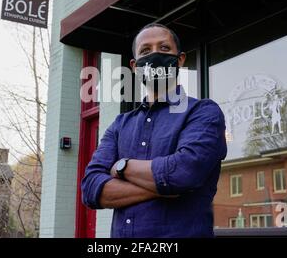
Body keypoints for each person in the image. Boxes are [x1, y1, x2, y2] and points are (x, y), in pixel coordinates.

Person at [81, 23, 227, 237]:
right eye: (146, 51)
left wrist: (121, 167)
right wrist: (164, 188)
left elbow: (183, 173)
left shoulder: (203, 112)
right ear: (134, 66)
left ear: (180, 60)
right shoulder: (120, 124)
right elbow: (91, 189)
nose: (155, 55)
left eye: (165, 48)